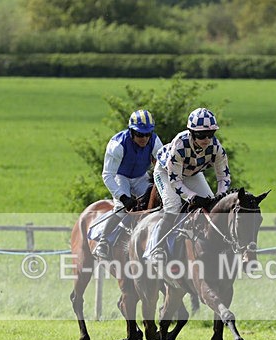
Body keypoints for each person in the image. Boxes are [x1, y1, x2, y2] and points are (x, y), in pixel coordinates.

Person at [146, 107, 232, 262]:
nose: (206, 139)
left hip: (192, 173)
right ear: (192, 133)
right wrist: (192, 197)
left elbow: (224, 176)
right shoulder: (180, 145)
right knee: (173, 206)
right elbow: (175, 181)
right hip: (166, 172)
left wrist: (221, 195)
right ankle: (155, 248)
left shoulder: (216, 147)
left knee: (212, 205)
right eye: (201, 135)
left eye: (211, 134)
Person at [93, 109, 163, 261]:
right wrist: (123, 197)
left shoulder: (155, 141)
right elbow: (107, 175)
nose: (144, 138)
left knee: (156, 204)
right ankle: (103, 242)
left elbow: (163, 166)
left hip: (140, 177)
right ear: (131, 132)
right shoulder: (117, 145)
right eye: (139, 134)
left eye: (147, 134)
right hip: (120, 176)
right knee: (122, 209)